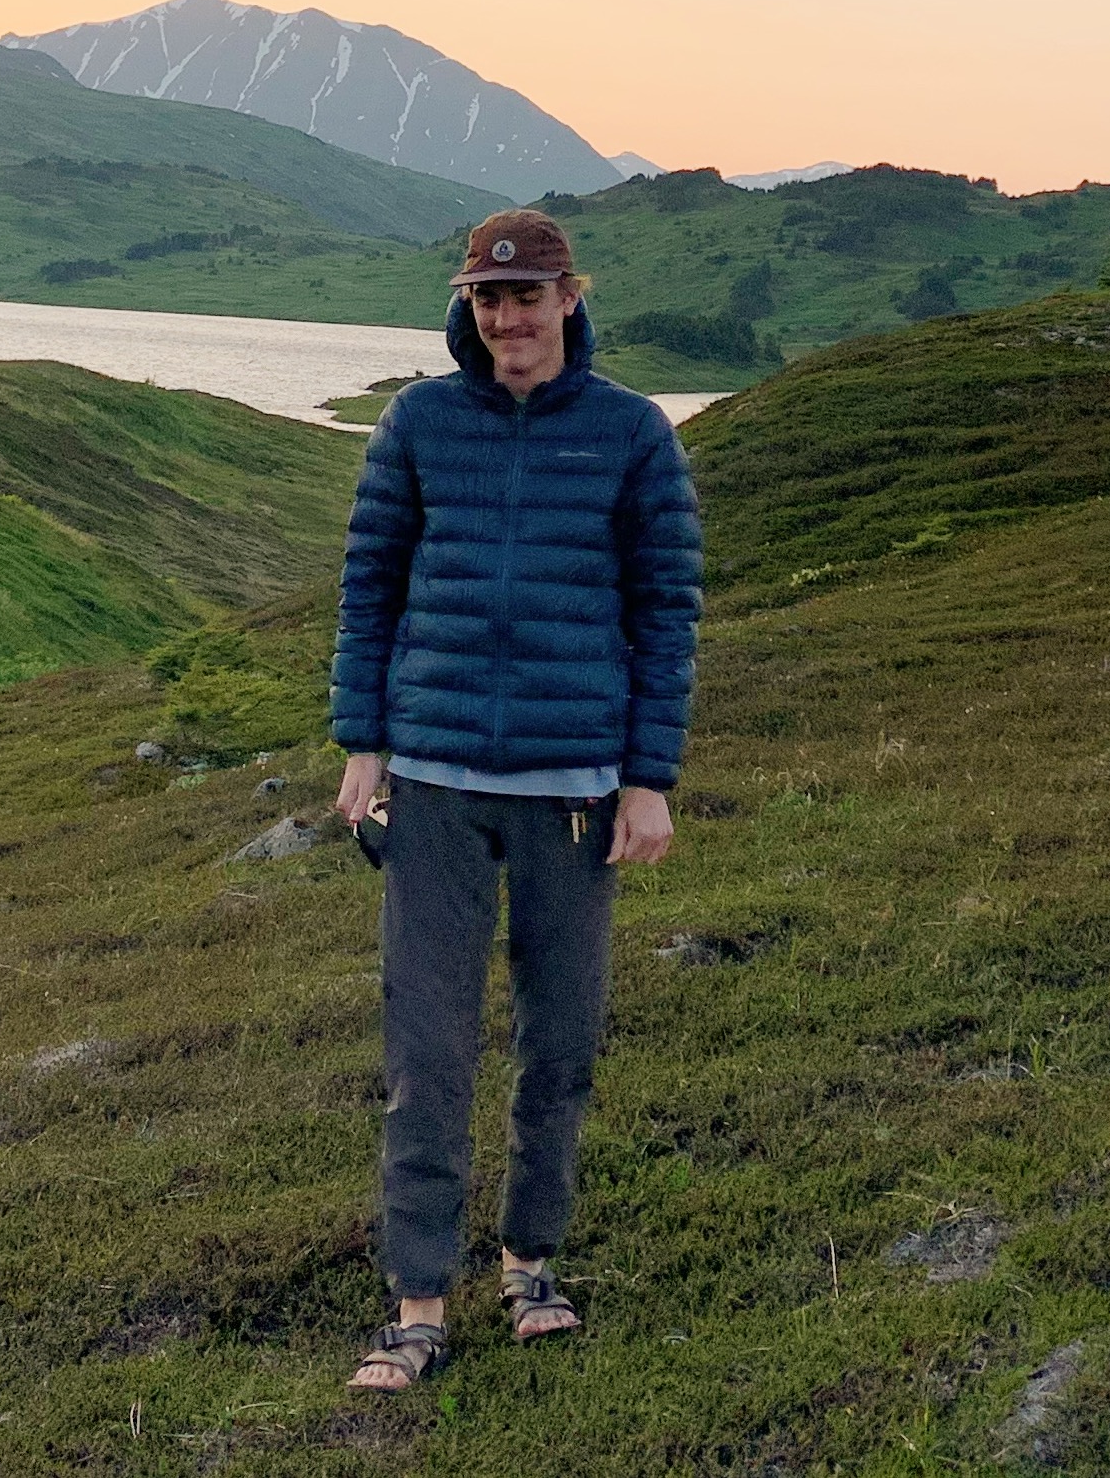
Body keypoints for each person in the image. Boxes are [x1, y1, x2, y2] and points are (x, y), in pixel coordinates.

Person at [330, 208, 704, 1391]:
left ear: (570, 296)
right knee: (425, 1049)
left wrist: (648, 777)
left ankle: (528, 1260)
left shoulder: (632, 432)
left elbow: (665, 612)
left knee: (559, 1040)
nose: (510, 318)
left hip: (574, 790)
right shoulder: (419, 421)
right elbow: (370, 581)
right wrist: (362, 741)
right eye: (490, 298)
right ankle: (417, 1301)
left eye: (530, 295)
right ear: (468, 305)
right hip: (434, 778)